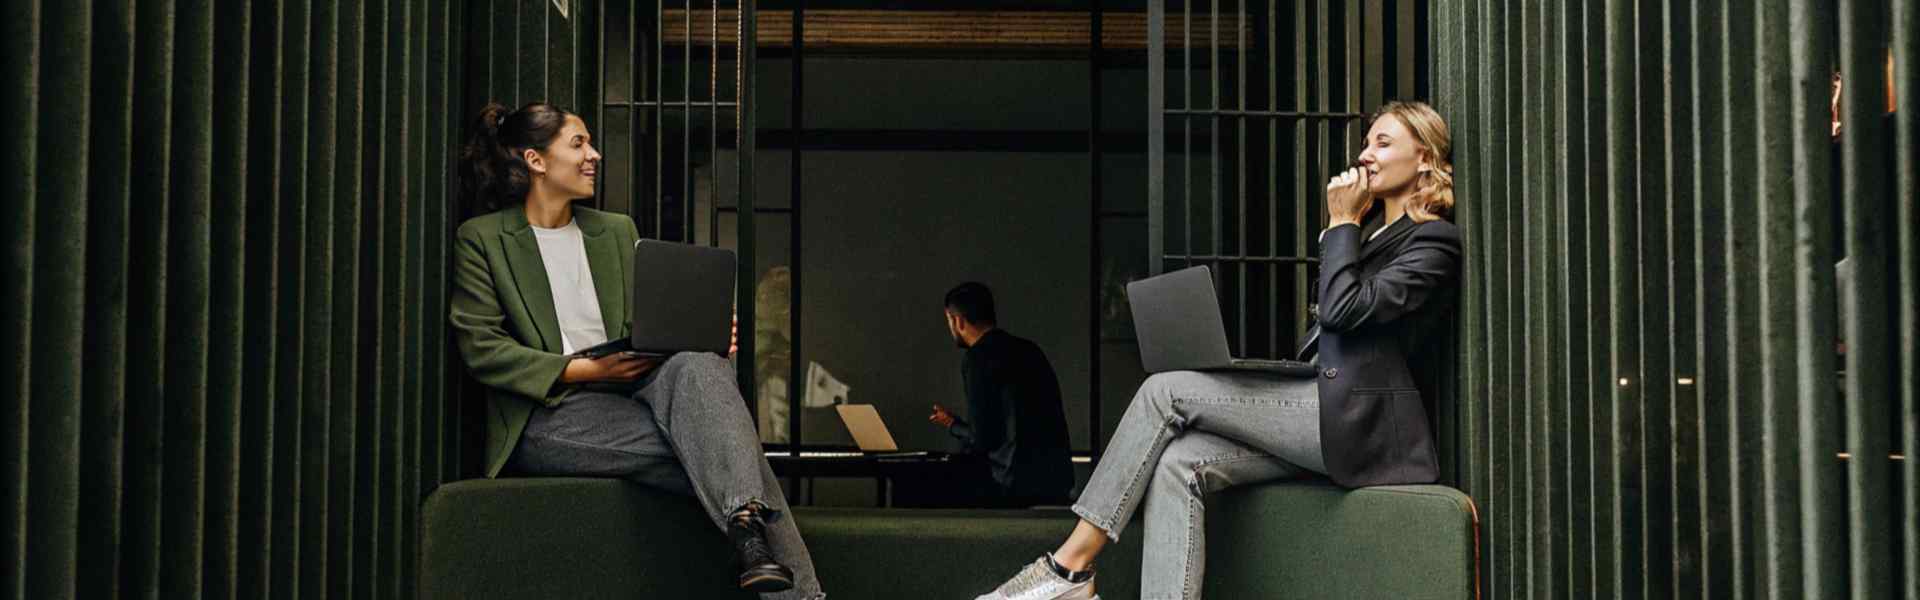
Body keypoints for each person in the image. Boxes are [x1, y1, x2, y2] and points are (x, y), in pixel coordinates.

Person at [971, 100, 1463, 600]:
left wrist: (1340, 225)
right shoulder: (1372, 236)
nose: (1365, 156)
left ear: (1425, 158)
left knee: (1165, 391)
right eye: (1365, 144)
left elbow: (1343, 311)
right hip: (1315, 410)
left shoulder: (1432, 243)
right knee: (1179, 462)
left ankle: (1068, 570)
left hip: (1356, 425)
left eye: (1383, 143)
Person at [447, 101, 824, 598]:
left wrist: (693, 334)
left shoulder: (616, 231)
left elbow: (641, 324)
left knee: (700, 363)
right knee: (733, 453)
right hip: (552, 412)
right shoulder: (483, 239)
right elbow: (482, 347)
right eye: (578, 143)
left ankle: (748, 532)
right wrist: (583, 369)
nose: (594, 155)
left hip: (638, 388)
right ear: (536, 160)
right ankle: (776, 561)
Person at [928, 282, 1075, 507]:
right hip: (1056, 481)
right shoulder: (1030, 349)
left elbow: (984, 438)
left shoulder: (977, 358)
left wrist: (952, 424)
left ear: (957, 320)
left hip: (1011, 487)